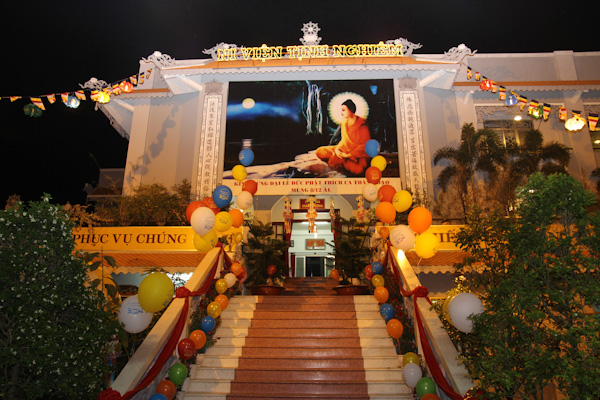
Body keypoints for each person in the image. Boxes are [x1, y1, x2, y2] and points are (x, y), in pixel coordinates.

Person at [316, 99, 371, 176]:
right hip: (345, 149)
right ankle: (343, 160)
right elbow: (344, 141)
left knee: (359, 170)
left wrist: (349, 155)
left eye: (343, 110)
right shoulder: (344, 122)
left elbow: (365, 145)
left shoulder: (362, 124)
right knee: (320, 151)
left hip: (358, 154)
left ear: (351, 110)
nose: (341, 113)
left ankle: (341, 161)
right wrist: (337, 149)